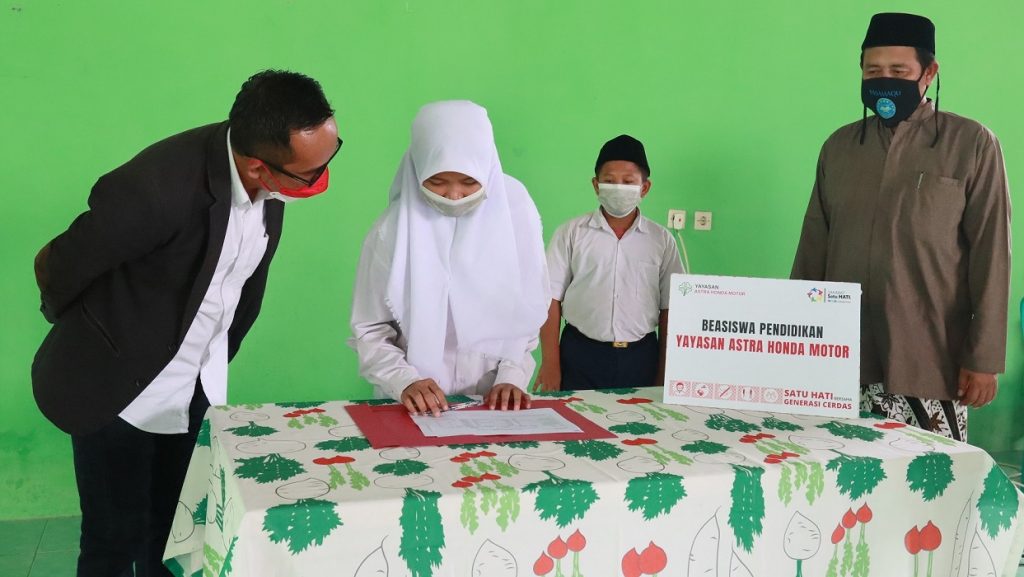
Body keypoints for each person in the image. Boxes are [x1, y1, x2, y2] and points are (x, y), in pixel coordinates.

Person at [31, 70, 340, 576]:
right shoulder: (155, 189)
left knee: (175, 534)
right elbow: (59, 264)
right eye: (310, 173)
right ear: (259, 166)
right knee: (114, 539)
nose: (322, 177)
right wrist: (93, 338)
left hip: (197, 383)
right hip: (116, 389)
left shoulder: (271, 180)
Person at [791, 13, 1010, 441]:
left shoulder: (971, 143)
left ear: (929, 72)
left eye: (899, 70)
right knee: (839, 471)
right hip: (844, 358)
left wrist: (984, 358)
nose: (885, 81)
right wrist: (798, 340)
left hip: (932, 359)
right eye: (873, 71)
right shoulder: (839, 147)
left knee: (929, 477)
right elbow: (812, 250)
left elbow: (991, 255)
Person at [350, 100, 549, 416]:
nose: (454, 195)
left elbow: (527, 311)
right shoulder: (392, 231)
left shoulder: (516, 217)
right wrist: (405, 381)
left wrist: (512, 377)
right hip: (414, 404)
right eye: (437, 182)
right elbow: (370, 329)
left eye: (469, 182)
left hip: (493, 403)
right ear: (417, 170)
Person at [536, 135, 684, 391]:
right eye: (609, 181)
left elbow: (669, 308)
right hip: (580, 355)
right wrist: (550, 364)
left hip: (641, 358)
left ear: (644, 188)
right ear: (596, 185)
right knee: (575, 417)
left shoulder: (661, 240)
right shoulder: (571, 233)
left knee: (641, 417)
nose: (618, 188)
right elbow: (550, 298)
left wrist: (664, 373)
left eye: (628, 182)